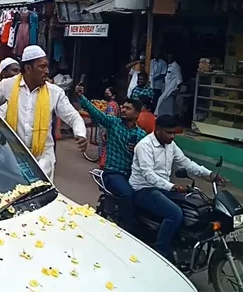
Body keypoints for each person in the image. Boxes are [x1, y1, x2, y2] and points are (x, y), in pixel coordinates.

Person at [0, 45, 87, 181]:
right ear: (28, 69)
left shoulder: (54, 92)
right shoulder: (8, 85)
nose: (47, 71)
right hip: (12, 156)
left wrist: (80, 133)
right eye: (42, 67)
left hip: (42, 157)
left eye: (46, 66)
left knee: (39, 192)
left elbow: (73, 117)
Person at [130, 115, 224, 261]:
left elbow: (186, 163)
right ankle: (161, 253)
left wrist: (210, 174)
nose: (172, 136)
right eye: (169, 133)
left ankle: (182, 243)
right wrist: (172, 186)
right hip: (144, 189)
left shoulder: (170, 145)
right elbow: (149, 174)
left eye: (174, 133)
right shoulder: (145, 146)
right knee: (174, 213)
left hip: (164, 188)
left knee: (197, 207)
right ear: (158, 129)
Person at [77, 85, 145, 233]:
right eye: (124, 107)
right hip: (113, 173)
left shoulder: (142, 135)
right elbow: (96, 114)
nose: (124, 110)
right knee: (128, 194)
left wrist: (137, 152)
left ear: (137, 114)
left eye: (128, 108)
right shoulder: (114, 123)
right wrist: (81, 98)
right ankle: (129, 229)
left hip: (132, 175)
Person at [97, 87, 121, 169]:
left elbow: (110, 120)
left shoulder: (110, 106)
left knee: (103, 151)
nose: (106, 95)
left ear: (113, 96)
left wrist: (105, 131)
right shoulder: (115, 104)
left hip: (106, 131)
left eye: (108, 94)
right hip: (110, 130)